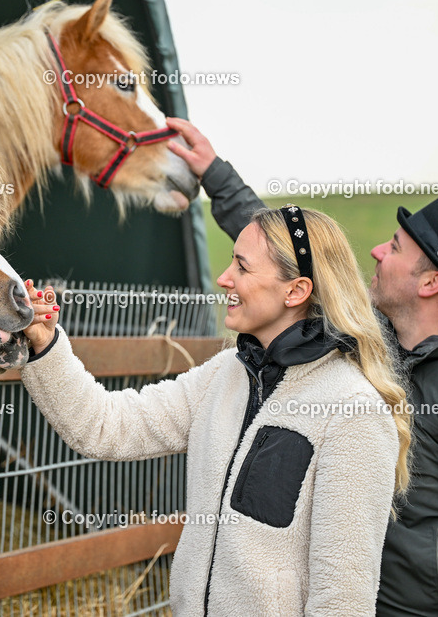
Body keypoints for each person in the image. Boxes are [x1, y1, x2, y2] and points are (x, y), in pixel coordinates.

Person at [165, 116, 438, 616]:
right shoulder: (360, 338)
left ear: (430, 283)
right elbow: (287, 258)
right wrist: (214, 173)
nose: (377, 251)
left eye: (396, 247)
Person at [20, 202, 412, 615]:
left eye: (242, 267)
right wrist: (46, 344)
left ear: (295, 291)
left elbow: (343, 599)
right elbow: (104, 426)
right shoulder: (224, 375)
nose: (224, 278)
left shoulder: (353, 412)